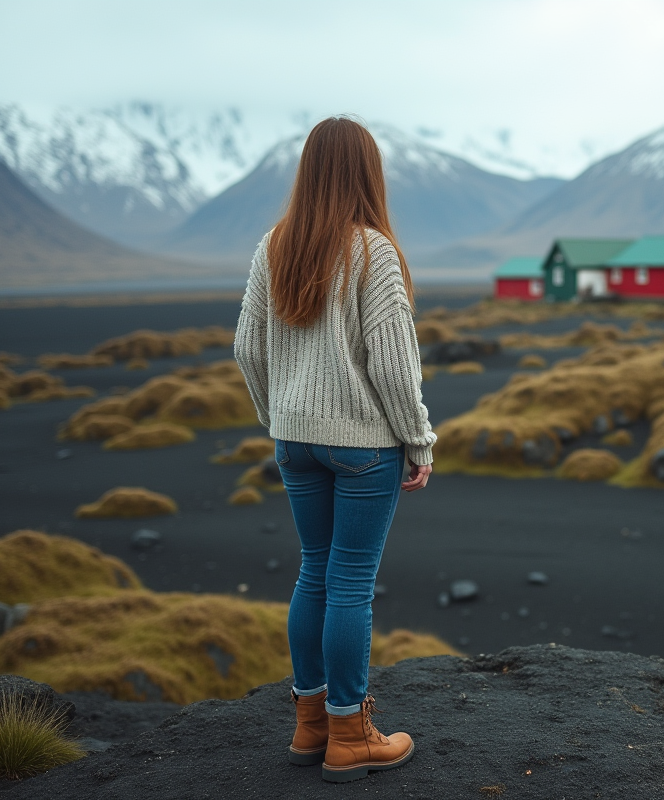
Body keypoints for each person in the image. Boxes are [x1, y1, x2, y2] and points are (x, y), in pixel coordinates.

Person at [234, 116, 435, 784]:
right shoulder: (373, 252)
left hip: (294, 442)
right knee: (350, 581)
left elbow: (246, 347)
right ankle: (350, 734)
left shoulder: (274, 246)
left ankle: (309, 724)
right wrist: (417, 440)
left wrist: (279, 417)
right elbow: (396, 366)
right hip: (361, 447)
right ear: (366, 173)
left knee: (313, 572)